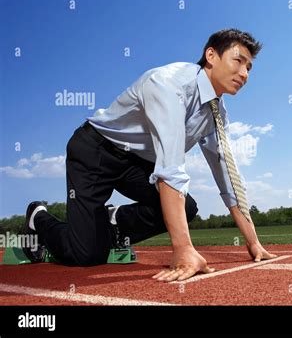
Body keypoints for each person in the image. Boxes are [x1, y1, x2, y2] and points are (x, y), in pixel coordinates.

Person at [22, 28, 277, 282]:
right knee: (86, 255)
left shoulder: (216, 114)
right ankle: (39, 218)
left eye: (250, 67)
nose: (244, 74)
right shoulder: (168, 84)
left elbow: (228, 178)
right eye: (238, 61)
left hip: (136, 162)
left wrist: (253, 243)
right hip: (96, 150)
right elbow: (171, 170)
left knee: (186, 207)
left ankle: (114, 223)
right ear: (211, 55)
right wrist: (183, 249)